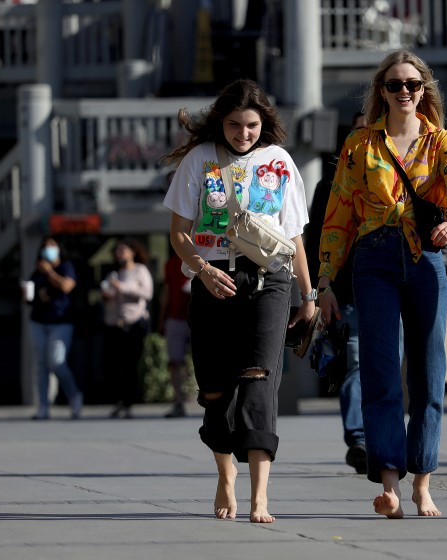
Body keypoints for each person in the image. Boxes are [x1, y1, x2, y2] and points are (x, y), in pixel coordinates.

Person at [316, 49, 447, 519]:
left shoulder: (439, 141)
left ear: (424, 90)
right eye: (395, 85)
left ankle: (423, 482)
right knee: (380, 370)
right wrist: (325, 279)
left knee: (429, 372)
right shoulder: (360, 144)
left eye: (412, 84)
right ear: (381, 92)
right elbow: (338, 215)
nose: (404, 92)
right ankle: (389, 482)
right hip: (374, 260)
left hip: (426, 259)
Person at [162, 78, 314, 523]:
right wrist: (204, 270)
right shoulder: (199, 160)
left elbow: (294, 236)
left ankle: (260, 496)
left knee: (258, 379)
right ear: (220, 122)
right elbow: (178, 233)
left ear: (263, 123)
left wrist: (309, 295)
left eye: (251, 125)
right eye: (234, 125)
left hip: (270, 280)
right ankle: (225, 473)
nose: (243, 134)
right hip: (212, 277)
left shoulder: (280, 162)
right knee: (214, 386)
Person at [306, 111, 369, 474]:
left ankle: (384, 437)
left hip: (394, 288)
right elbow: (317, 241)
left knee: (389, 365)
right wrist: (320, 290)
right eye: (358, 130)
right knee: (356, 366)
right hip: (347, 293)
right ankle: (359, 439)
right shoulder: (330, 183)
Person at [23, 236, 84, 420]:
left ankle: (74, 396)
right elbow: (31, 298)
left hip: (61, 322)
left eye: (52, 246)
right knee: (40, 365)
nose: (48, 249)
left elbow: (66, 287)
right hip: (39, 321)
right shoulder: (37, 272)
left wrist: (50, 273)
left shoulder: (65, 267)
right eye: (45, 247)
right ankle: (43, 406)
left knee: (57, 362)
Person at [101, 237, 154, 419]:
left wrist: (122, 287)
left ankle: (130, 403)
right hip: (114, 324)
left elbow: (147, 293)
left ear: (133, 252)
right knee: (114, 365)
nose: (120, 253)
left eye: (123, 249)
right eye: (117, 250)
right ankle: (118, 401)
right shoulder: (113, 274)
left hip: (134, 323)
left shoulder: (140, 271)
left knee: (131, 364)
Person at [158, 248, 193, 418]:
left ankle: (209, 399)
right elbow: (166, 290)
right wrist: (162, 318)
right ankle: (178, 401)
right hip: (175, 317)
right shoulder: (171, 263)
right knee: (175, 361)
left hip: (198, 317)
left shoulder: (201, 256)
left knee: (204, 359)